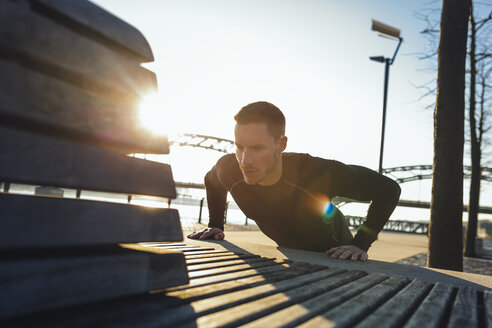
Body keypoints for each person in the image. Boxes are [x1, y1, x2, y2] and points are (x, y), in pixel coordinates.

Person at [188, 101, 401, 261]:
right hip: (288, 253)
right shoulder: (229, 168)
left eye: (257, 148)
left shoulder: (316, 172)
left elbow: (389, 189)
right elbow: (212, 180)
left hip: (335, 253)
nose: (245, 160)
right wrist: (215, 225)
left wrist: (361, 244)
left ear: (281, 144)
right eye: (239, 146)